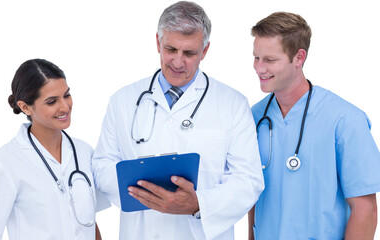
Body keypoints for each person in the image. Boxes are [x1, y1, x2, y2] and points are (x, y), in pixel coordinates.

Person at [92, 1, 264, 239]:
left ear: (204, 51)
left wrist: (198, 204)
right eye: (171, 49)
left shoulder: (233, 104)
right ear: (157, 43)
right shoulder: (122, 101)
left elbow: (248, 180)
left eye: (189, 53)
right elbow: (102, 163)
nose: (177, 62)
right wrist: (143, 192)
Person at [248, 12, 380, 239]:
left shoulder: (345, 120)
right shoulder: (254, 117)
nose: (259, 68)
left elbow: (364, 208)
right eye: (256, 58)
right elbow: (252, 195)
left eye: (270, 60)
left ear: (299, 57)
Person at [0, 59, 110, 240]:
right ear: (25, 107)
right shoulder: (3, 164)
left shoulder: (84, 152)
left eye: (66, 95)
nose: (65, 106)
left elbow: (88, 222)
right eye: (51, 101)